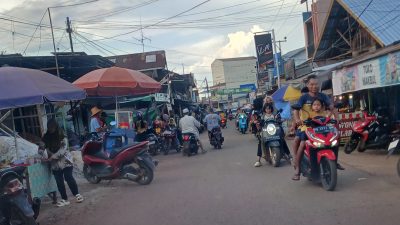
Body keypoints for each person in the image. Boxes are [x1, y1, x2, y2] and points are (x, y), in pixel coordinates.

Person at [292, 75, 343, 181]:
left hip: (322, 125)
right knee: (301, 142)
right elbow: (296, 110)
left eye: (316, 84)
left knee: (336, 137)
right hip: (307, 126)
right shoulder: (303, 98)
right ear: (307, 85)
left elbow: (331, 107)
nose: (314, 86)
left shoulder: (323, 96)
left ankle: (334, 161)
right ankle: (297, 168)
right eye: (312, 84)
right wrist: (297, 119)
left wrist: (337, 118)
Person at [42, 119, 83, 207]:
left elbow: (63, 149)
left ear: (56, 127)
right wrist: (44, 152)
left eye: (52, 127)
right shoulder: (46, 137)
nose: (51, 129)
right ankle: (64, 199)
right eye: (49, 128)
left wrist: (53, 156)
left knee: (68, 177)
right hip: (55, 164)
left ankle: (77, 194)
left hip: (65, 160)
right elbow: (42, 147)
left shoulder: (62, 136)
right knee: (59, 181)